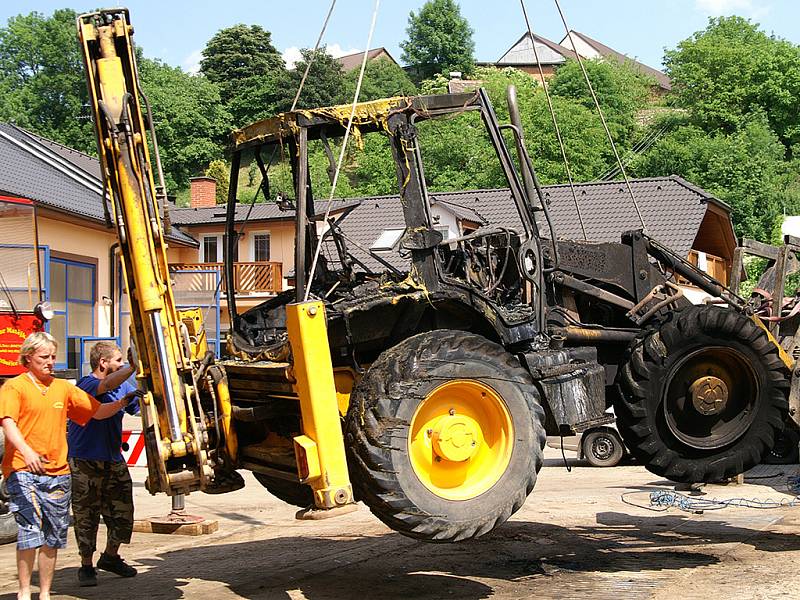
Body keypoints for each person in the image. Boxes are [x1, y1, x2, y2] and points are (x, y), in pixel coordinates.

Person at [0, 332, 132, 600]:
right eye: (44, 357)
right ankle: (25, 591)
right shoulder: (14, 387)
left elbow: (96, 411)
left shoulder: (63, 388)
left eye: (53, 357)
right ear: (28, 358)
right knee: (30, 531)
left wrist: (121, 404)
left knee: (53, 534)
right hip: (24, 469)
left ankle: (46, 593)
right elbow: (7, 421)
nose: (51, 362)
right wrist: (26, 450)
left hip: (57, 472)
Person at [68, 341, 141, 586]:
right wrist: (132, 366)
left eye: (123, 361)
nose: (121, 365)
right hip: (85, 461)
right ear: (103, 363)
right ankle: (86, 566)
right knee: (86, 515)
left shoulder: (122, 387)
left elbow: (139, 405)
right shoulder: (87, 384)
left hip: (112, 459)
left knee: (123, 513)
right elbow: (107, 385)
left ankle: (110, 557)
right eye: (118, 360)